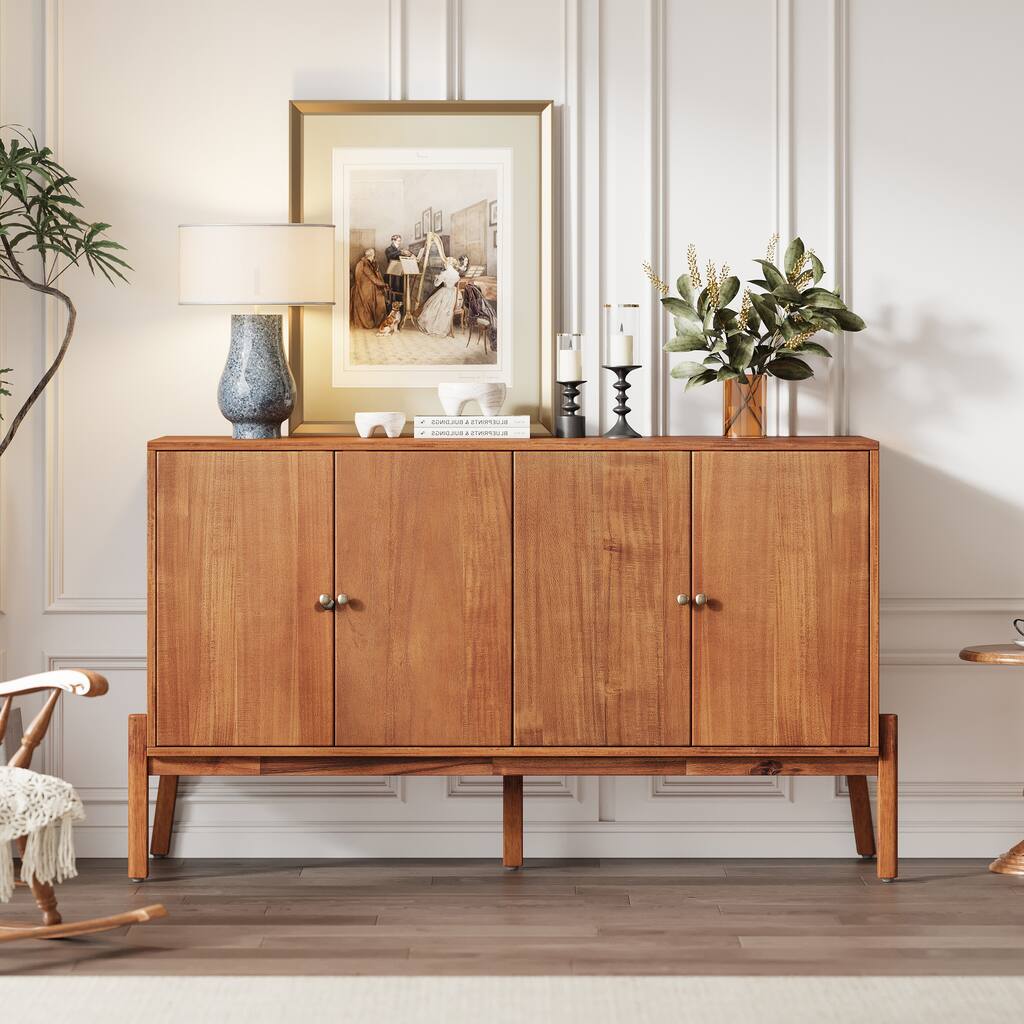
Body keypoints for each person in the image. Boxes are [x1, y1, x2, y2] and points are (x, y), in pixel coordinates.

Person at [418, 257, 460, 338]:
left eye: (445, 263)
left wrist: (436, 278)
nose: (444, 264)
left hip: (445, 293)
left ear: (447, 264)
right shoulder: (456, 273)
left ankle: (435, 327)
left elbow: (436, 285)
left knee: (431, 308)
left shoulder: (444, 273)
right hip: (454, 295)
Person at [350, 248, 388, 329]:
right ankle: (375, 322)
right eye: (374, 254)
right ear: (371, 255)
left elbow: (374, 277)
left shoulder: (368, 263)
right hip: (363, 289)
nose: (374, 255)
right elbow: (373, 278)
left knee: (380, 295)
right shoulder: (363, 264)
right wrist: (384, 284)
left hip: (368, 287)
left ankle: (378, 321)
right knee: (380, 298)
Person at [384, 234, 410, 309]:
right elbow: (390, 256)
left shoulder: (399, 249)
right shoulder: (388, 249)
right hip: (392, 273)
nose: (400, 242)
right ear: (393, 240)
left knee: (401, 289)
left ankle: (400, 307)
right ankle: (392, 307)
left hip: (400, 272)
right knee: (394, 289)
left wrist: (408, 255)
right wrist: (401, 252)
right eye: (398, 241)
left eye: (400, 241)